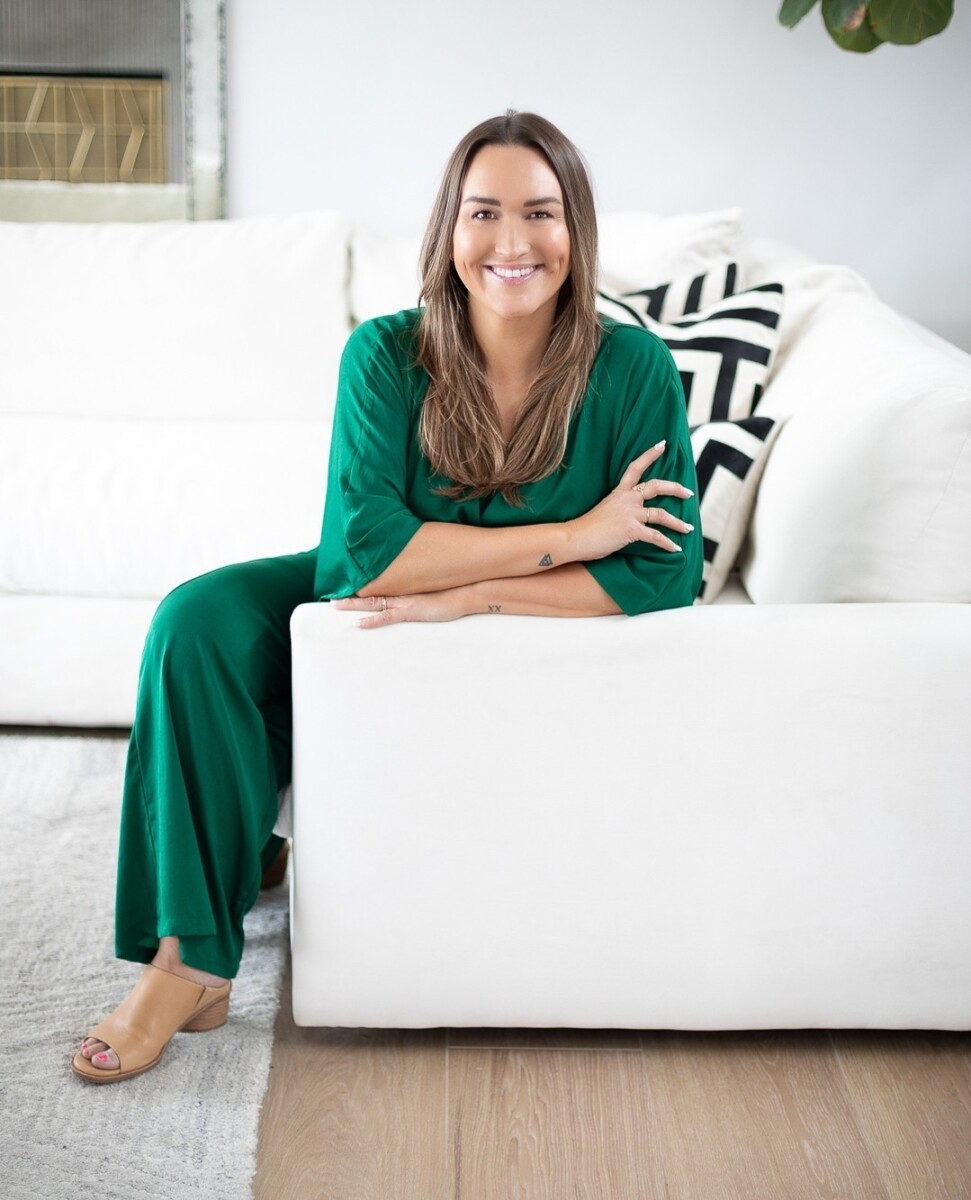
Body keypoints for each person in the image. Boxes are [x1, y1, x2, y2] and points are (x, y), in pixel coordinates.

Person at [72, 110, 702, 1083]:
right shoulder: (383, 353)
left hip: (450, 610)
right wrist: (574, 540)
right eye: (481, 212)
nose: (509, 242)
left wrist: (471, 595)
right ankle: (188, 961)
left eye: (539, 213)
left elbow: (663, 573)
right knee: (194, 623)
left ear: (574, 228)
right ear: (447, 230)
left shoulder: (632, 369)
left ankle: (240, 854)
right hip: (363, 601)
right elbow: (361, 557)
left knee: (292, 651)